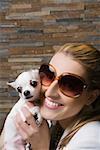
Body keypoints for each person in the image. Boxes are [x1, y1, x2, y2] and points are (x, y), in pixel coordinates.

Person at [14, 43, 100, 150]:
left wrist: (40, 147)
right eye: (49, 76)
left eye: (69, 85)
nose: (49, 92)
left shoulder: (91, 139)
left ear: (91, 97)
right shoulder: (58, 125)